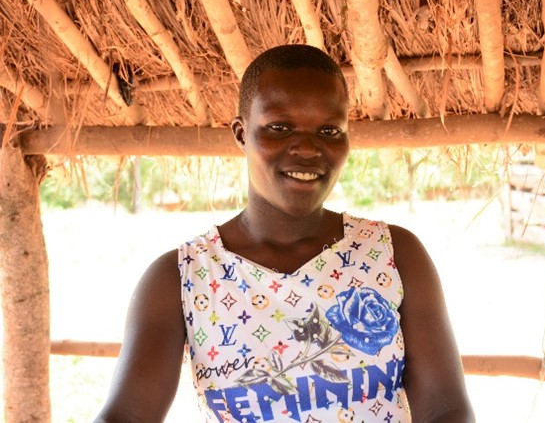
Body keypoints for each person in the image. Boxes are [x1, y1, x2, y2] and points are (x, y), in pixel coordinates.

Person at [94, 45, 475, 422]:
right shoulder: (181, 278)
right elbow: (127, 414)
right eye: (279, 127)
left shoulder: (393, 254)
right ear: (242, 134)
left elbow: (446, 409)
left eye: (329, 130)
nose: (308, 149)